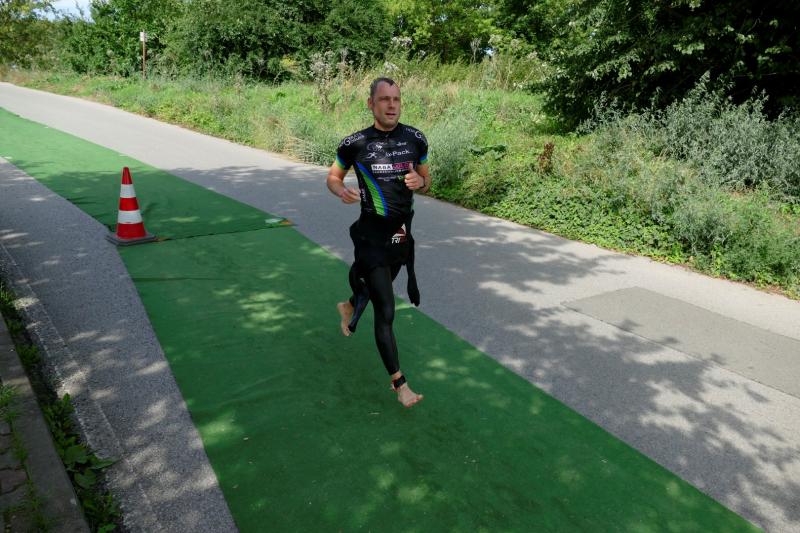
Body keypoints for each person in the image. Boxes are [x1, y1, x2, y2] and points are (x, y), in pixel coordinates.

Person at [326, 77, 431, 408]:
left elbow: (427, 180)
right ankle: (400, 383)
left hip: (400, 234)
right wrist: (340, 190)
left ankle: (349, 303)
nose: (391, 105)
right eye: (384, 99)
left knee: (376, 289)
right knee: (386, 309)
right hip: (370, 236)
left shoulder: (416, 139)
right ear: (371, 104)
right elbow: (333, 177)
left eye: (396, 99)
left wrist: (420, 181)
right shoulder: (354, 143)